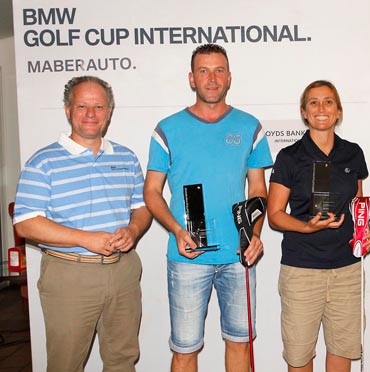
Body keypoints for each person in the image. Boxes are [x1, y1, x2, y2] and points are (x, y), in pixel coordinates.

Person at [143, 43, 272, 372]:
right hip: (188, 257)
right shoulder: (166, 129)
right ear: (191, 78)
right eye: (203, 71)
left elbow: (258, 188)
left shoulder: (249, 127)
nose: (211, 78)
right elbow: (152, 191)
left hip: (239, 257)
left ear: (229, 78)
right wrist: (176, 230)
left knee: (240, 344)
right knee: (185, 350)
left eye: (218, 71)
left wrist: (253, 235)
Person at [12, 75, 151, 372]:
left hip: (123, 270)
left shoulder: (126, 158)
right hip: (69, 274)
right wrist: (85, 239)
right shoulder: (43, 162)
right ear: (67, 110)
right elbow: (25, 223)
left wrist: (133, 230)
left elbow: (141, 208)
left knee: (122, 360)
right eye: (82, 106)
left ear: (109, 112)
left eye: (99, 106)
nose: (91, 114)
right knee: (66, 364)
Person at [267, 80, 370, 372]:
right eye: (313, 102)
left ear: (338, 111)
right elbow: (274, 214)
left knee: (341, 350)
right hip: (302, 270)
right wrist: (306, 227)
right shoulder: (289, 157)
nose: (321, 108)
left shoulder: (353, 153)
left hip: (347, 270)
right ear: (304, 112)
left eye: (328, 102)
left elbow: (358, 205)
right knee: (300, 356)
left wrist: (365, 232)